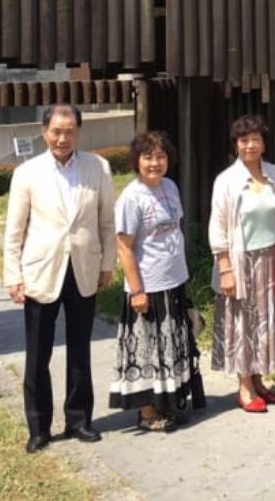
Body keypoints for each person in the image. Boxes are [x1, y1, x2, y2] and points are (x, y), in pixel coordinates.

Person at [3, 104, 115, 453]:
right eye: (56, 131)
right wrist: (13, 274)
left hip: (83, 268)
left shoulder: (98, 167)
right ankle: (38, 427)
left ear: (78, 132)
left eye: (69, 131)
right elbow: (14, 229)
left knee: (80, 349)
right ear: (44, 131)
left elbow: (106, 222)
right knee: (38, 354)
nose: (62, 138)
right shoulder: (27, 173)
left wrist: (106, 264)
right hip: (41, 270)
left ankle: (79, 419)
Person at [108, 131, 205, 430]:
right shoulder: (131, 198)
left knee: (172, 345)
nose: (155, 163)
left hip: (173, 279)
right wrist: (137, 290)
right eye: (148, 157)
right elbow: (124, 247)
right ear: (136, 161)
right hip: (147, 285)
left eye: (161, 157)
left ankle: (171, 403)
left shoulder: (171, 187)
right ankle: (148, 411)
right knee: (148, 349)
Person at [208, 115, 275, 413]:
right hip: (240, 260)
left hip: (270, 258)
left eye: (256, 139)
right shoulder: (226, 181)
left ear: (264, 143)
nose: (250, 145)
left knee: (266, 320)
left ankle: (259, 381)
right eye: (244, 140)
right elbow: (217, 227)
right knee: (243, 323)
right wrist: (225, 268)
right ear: (236, 145)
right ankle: (244, 386)